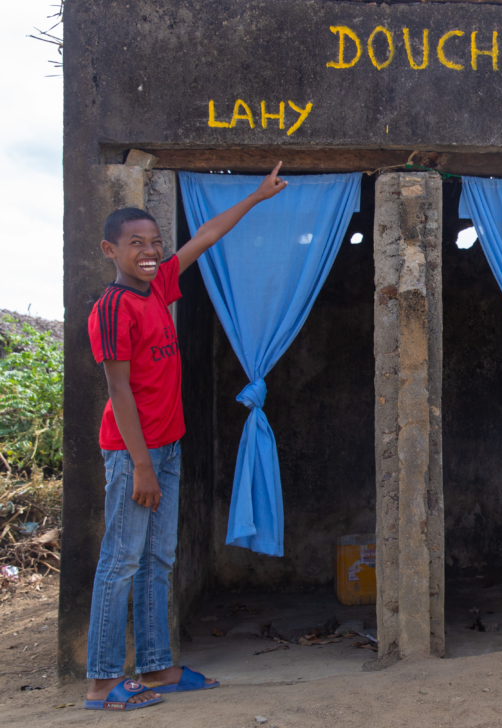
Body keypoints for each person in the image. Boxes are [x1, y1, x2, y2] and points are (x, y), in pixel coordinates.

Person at [83, 164, 288, 710]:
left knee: (159, 561)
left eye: (154, 243)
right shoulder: (111, 309)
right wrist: (142, 464)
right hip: (134, 455)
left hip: (165, 449)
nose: (148, 252)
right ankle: (103, 682)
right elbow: (118, 391)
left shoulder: (158, 288)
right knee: (121, 561)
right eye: (135, 244)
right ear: (110, 250)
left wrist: (256, 197)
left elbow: (206, 235)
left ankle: (156, 670)